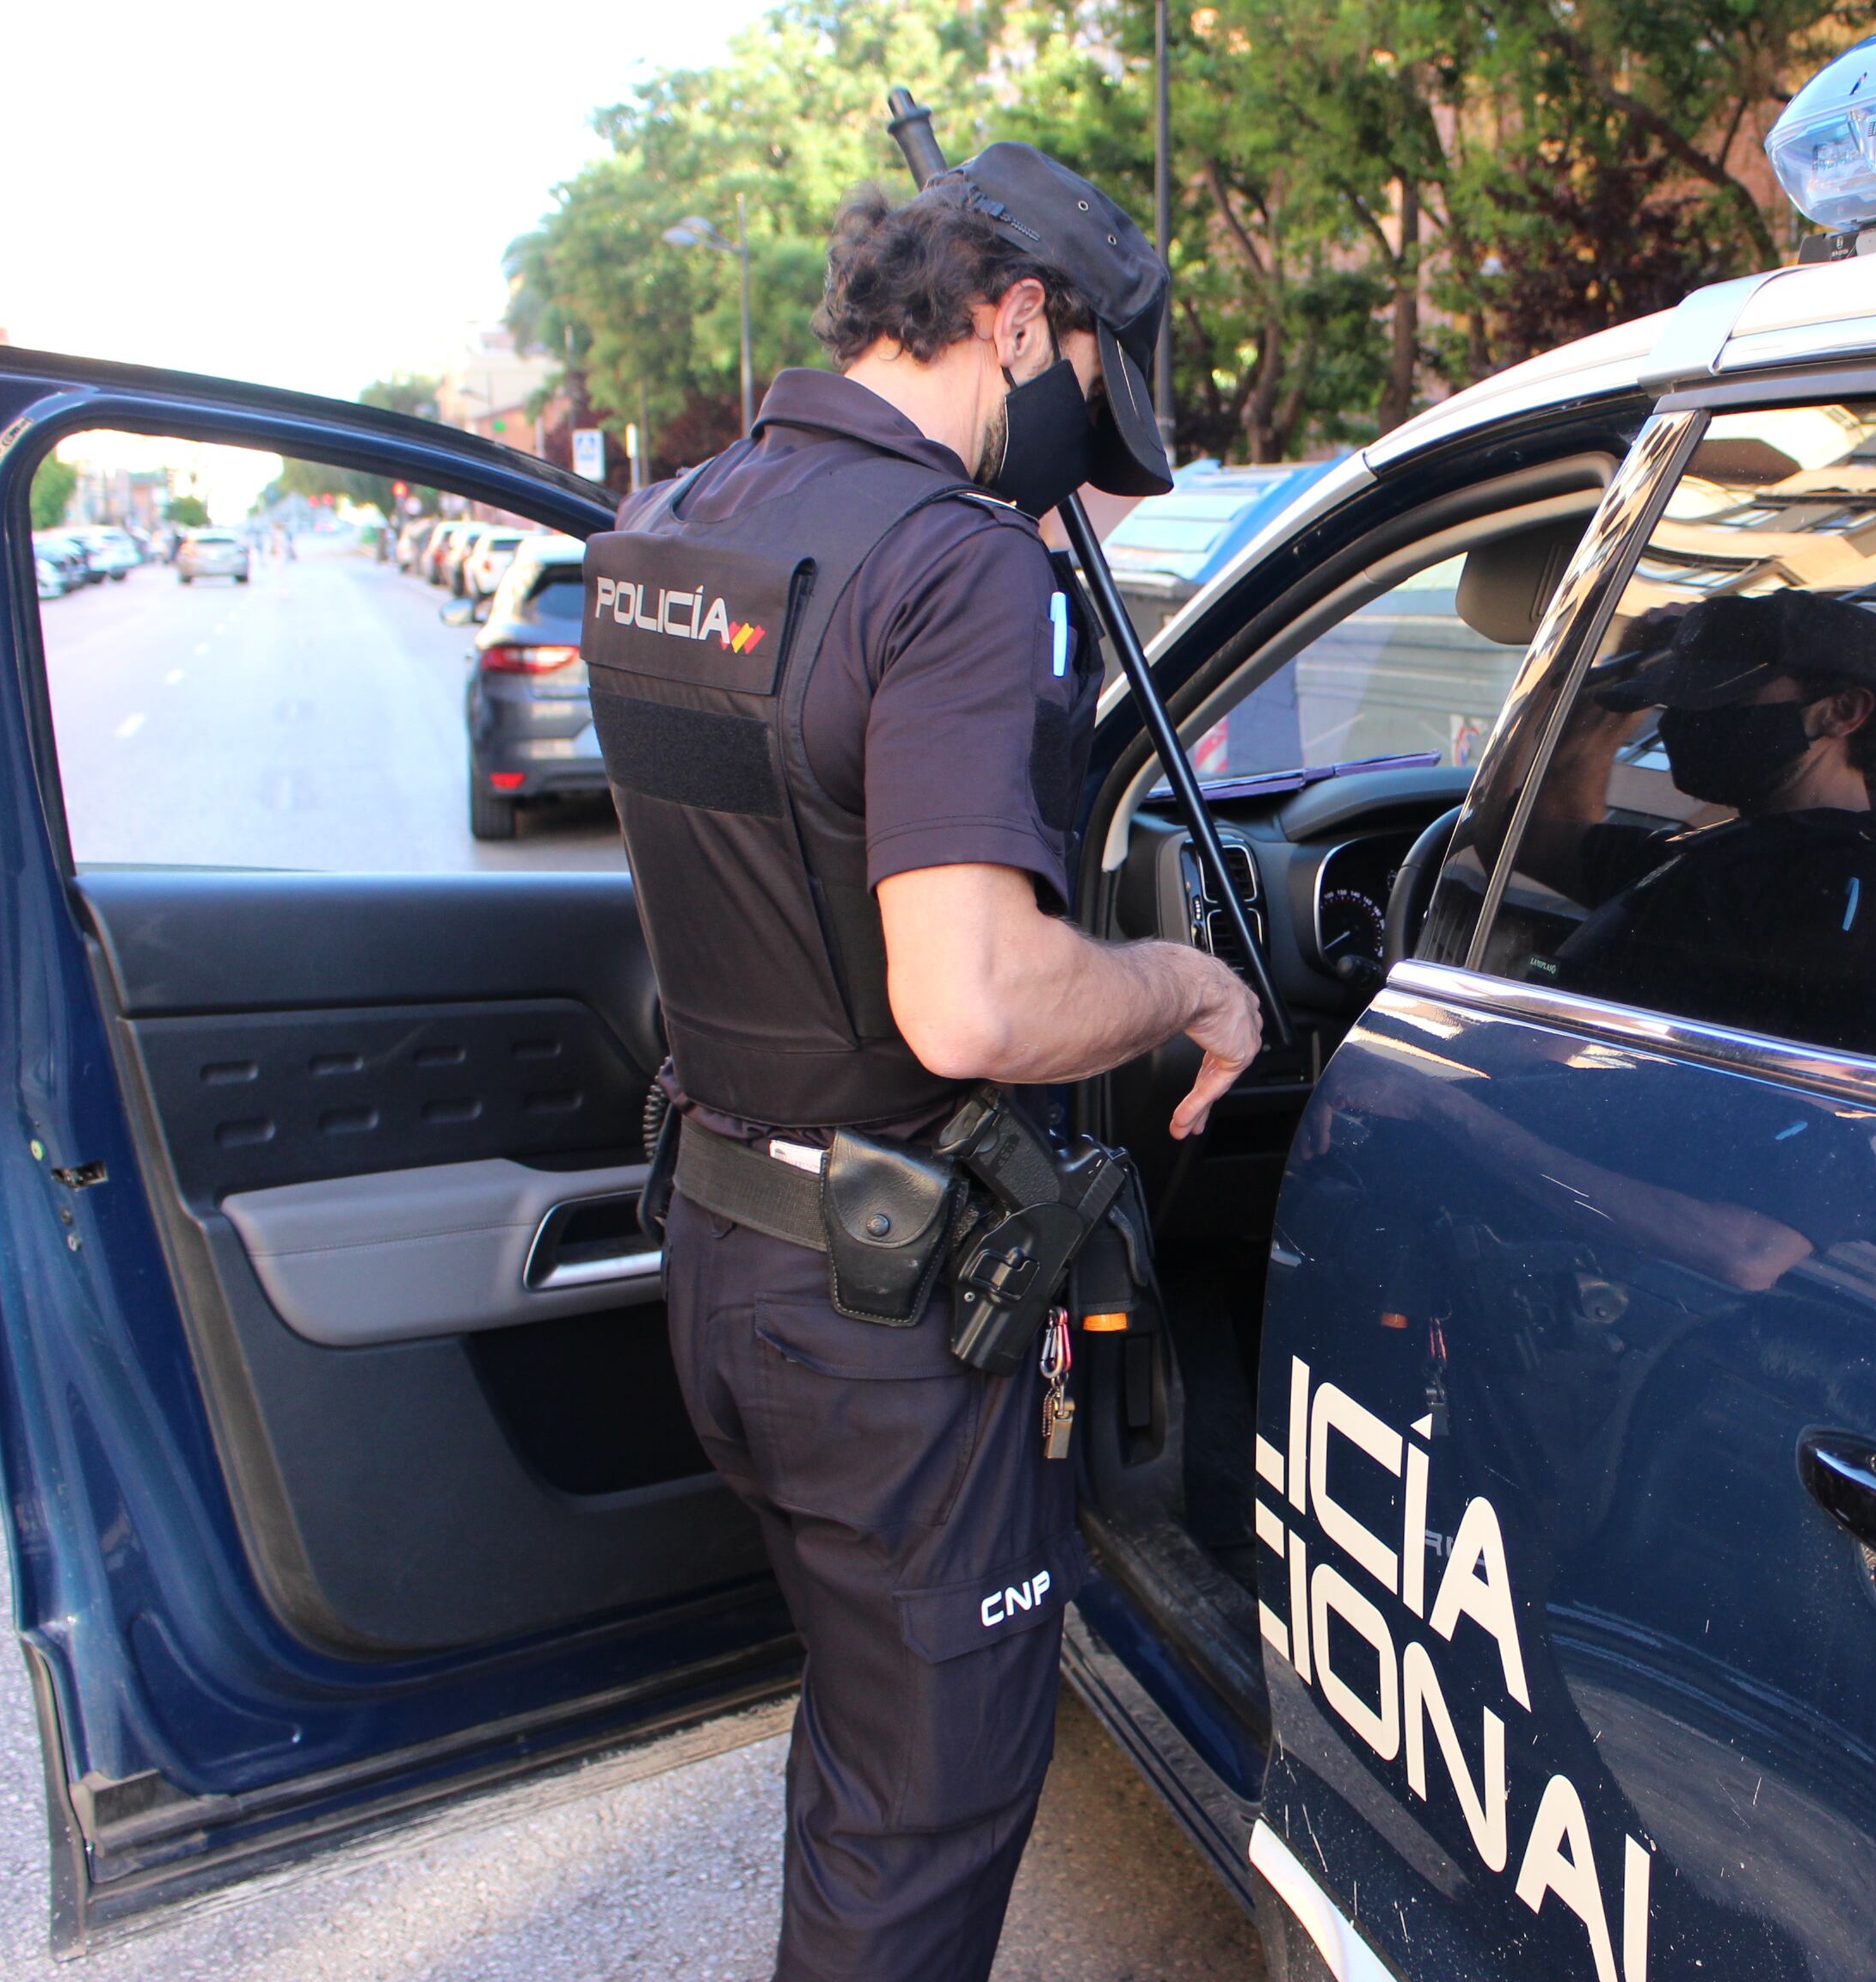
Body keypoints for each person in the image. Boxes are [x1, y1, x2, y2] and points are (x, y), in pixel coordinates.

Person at [580, 150, 1259, 1982]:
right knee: (927, 1822)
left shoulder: (675, 524)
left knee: (873, 1746)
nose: (1082, 471)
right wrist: (1188, 979)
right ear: (1018, 321)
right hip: (889, 1321)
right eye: (1090, 408)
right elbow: (970, 1005)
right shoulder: (949, 564)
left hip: (726, 1256)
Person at [1517, 591, 1876, 1064]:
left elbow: (1831, 1095)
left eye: (1723, 697)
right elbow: (1531, 837)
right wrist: (1631, 666)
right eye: (1677, 700)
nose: (1686, 722)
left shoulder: (1864, 893)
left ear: (1843, 710)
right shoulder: (1714, 855)